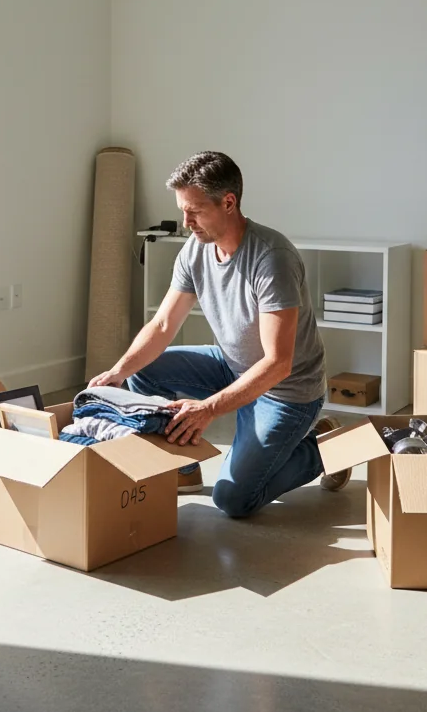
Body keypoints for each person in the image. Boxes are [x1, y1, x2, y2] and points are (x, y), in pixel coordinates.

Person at [88, 151, 348, 517]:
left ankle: (322, 446)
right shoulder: (195, 251)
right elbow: (162, 325)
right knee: (142, 371)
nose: (185, 221)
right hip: (232, 366)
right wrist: (119, 371)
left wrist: (208, 408)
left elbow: (278, 363)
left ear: (229, 202)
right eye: (182, 209)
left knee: (233, 500)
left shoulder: (272, 259)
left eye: (194, 210)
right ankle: (183, 467)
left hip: (286, 391)